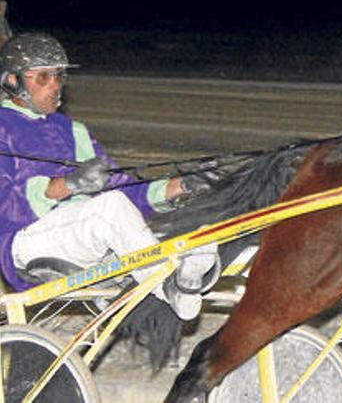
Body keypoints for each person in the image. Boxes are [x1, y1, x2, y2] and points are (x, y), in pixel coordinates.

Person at [0, 33, 216, 320]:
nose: (55, 85)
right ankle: (170, 287)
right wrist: (66, 186)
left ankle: (192, 271)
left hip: (81, 235)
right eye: (43, 78)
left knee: (176, 226)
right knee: (109, 208)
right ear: (13, 81)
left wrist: (179, 186)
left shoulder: (73, 130)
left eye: (59, 76)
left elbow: (121, 189)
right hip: (24, 244)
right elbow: (4, 208)